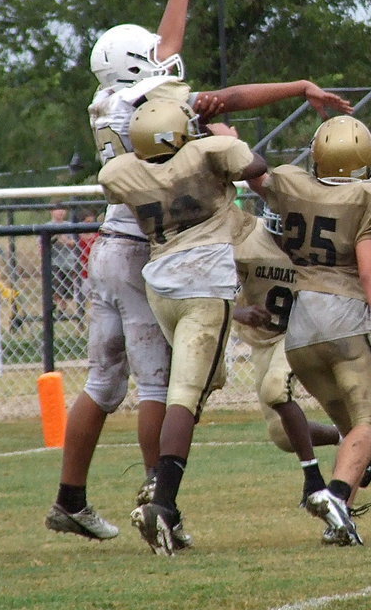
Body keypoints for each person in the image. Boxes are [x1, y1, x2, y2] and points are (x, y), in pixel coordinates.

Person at [45, 0, 354, 544]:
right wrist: (297, 86)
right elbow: (221, 95)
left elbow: (166, 51)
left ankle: (70, 500)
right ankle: (158, 506)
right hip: (153, 252)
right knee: (163, 386)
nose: (165, 57)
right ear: (141, 65)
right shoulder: (155, 104)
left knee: (103, 383)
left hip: (107, 246)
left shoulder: (109, 101)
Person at [98, 99, 268, 555]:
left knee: (189, 390)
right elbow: (256, 164)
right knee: (186, 397)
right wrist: (221, 137)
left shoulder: (123, 172)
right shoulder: (208, 152)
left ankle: (162, 498)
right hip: (204, 281)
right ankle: (161, 501)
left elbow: (123, 178)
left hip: (162, 283)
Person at [249, 115, 371, 547]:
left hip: (300, 329)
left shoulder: (292, 184)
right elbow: (368, 269)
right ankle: (336, 496)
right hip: (340, 316)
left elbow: (255, 175)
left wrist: (219, 135)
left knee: (359, 440)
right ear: (365, 157)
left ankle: (337, 522)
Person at [232, 205, 371, 508]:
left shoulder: (318, 251)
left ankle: (315, 482)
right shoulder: (245, 241)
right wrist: (239, 311)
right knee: (281, 436)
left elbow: (341, 310)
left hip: (304, 334)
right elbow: (210, 295)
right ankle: (342, 438)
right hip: (264, 340)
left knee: (275, 386)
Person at [48, 204, 79, 319]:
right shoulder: (48, 226)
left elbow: (73, 243)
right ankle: (57, 308)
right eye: (57, 210)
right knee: (56, 286)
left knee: (67, 290)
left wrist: (62, 238)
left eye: (62, 210)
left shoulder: (69, 225)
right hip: (53, 262)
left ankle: (62, 309)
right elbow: (43, 244)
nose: (60, 212)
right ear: (51, 211)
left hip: (67, 263)